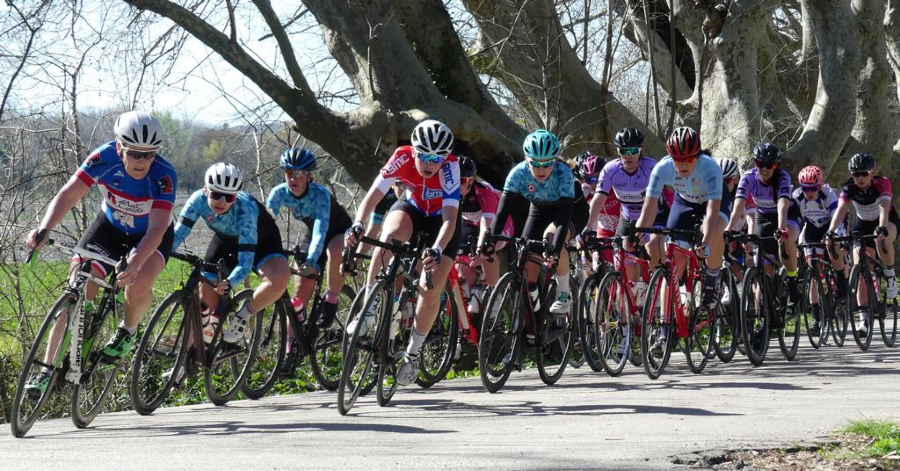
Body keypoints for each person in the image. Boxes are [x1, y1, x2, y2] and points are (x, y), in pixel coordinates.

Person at [24, 111, 177, 395]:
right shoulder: (102, 158)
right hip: (110, 227)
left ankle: (127, 330)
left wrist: (136, 260)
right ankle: (47, 369)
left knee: (139, 278)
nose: (142, 161)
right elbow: (69, 195)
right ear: (119, 147)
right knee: (77, 284)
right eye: (135, 153)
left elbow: (157, 228)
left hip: (151, 235)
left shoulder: (164, 175)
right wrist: (43, 229)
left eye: (149, 154)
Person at [344, 119, 461, 386]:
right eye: (425, 156)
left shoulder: (450, 168)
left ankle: (413, 351)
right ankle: (370, 306)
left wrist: (438, 248)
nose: (430, 163)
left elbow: (450, 220)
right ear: (415, 151)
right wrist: (358, 225)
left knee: (429, 289)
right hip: (413, 209)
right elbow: (372, 197)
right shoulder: (402, 157)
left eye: (437, 158)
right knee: (388, 236)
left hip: (441, 223)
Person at [636, 126, 731, 357]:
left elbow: (711, 212)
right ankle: (664, 329)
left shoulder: (710, 168)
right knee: (674, 262)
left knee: (716, 229)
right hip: (685, 202)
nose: (683, 165)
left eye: (689, 159)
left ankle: (712, 277)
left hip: (712, 203)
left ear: (697, 156)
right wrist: (637, 234)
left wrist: (705, 243)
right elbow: (648, 209)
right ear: (671, 157)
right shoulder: (662, 169)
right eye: (678, 160)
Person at [172, 163, 289, 345]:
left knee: (279, 280)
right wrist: (160, 254)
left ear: (235, 196)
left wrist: (229, 283)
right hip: (226, 241)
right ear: (205, 190)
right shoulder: (197, 200)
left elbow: (245, 262)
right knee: (202, 304)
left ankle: (243, 315)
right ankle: (185, 359)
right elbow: (178, 234)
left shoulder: (245, 210)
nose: (222, 202)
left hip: (262, 244)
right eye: (216, 194)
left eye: (229, 197)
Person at [485, 129, 576, 314]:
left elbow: (563, 219)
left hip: (569, 211)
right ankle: (532, 317)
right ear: (526, 159)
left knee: (551, 238)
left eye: (547, 163)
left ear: (555, 160)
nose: (541, 170)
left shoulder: (563, 173)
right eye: (535, 164)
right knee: (526, 257)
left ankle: (564, 293)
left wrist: (556, 251)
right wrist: (490, 241)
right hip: (539, 209)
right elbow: (502, 212)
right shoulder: (518, 174)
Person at [267, 148, 352, 330]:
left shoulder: (319, 194)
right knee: (299, 292)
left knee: (334, 250)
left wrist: (312, 260)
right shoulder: (279, 193)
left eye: (299, 173)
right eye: (289, 172)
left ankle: (331, 300)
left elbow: (321, 231)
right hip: (312, 233)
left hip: (338, 230)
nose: (293, 178)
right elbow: (265, 225)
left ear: (309, 176)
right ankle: (290, 346)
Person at [825, 152, 899, 338]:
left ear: (872, 172)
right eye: (855, 174)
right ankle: (863, 320)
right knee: (860, 271)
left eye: (863, 173)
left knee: (880, 238)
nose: (859, 178)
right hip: (862, 224)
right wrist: (831, 231)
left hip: (886, 221)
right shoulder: (849, 187)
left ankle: (890, 275)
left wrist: (882, 228)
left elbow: (883, 208)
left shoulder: (882, 184)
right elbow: (841, 210)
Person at [725, 143, 802, 310]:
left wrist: (781, 228)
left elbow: (782, 204)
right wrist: (728, 229)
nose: (764, 169)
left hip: (787, 215)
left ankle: (792, 279)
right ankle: (763, 318)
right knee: (763, 273)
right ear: (754, 163)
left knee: (786, 238)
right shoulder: (748, 177)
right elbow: (739, 205)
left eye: (770, 165)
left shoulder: (782, 177)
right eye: (760, 164)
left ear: (776, 165)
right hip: (764, 217)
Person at [792, 165, 838, 335]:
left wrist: (835, 237)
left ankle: (840, 279)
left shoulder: (828, 194)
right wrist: (796, 242)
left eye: (813, 188)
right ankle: (816, 317)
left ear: (819, 186)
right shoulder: (796, 196)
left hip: (830, 226)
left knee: (837, 252)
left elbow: (837, 217)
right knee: (813, 270)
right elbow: (795, 221)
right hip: (811, 229)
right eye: (805, 188)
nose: (809, 192)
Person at [455, 155, 502, 315]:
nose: (455, 186)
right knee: (461, 263)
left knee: (488, 248)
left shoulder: (484, 190)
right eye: (453, 180)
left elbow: (486, 225)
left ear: (471, 180)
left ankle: (494, 291)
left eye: (460, 181)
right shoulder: (446, 189)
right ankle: (464, 317)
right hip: (468, 222)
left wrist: (481, 247)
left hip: (495, 221)